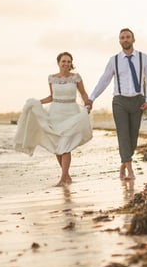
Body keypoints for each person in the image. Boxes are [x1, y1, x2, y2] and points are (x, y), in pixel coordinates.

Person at [14, 52, 93, 186]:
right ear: (58, 63)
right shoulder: (52, 78)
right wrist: (38, 102)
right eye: (63, 61)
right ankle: (67, 176)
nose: (66, 64)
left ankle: (63, 178)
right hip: (55, 113)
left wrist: (88, 103)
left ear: (71, 64)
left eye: (68, 61)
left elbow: (83, 93)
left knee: (66, 145)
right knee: (58, 147)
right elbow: (52, 96)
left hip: (71, 113)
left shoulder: (76, 78)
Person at [86, 28, 147, 180]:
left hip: (138, 101)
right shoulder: (114, 60)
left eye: (128, 37)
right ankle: (130, 170)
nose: (125, 40)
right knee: (123, 135)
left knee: (133, 138)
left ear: (133, 39)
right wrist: (92, 98)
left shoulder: (144, 58)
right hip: (120, 101)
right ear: (119, 41)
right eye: (122, 37)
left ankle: (124, 163)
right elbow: (104, 80)